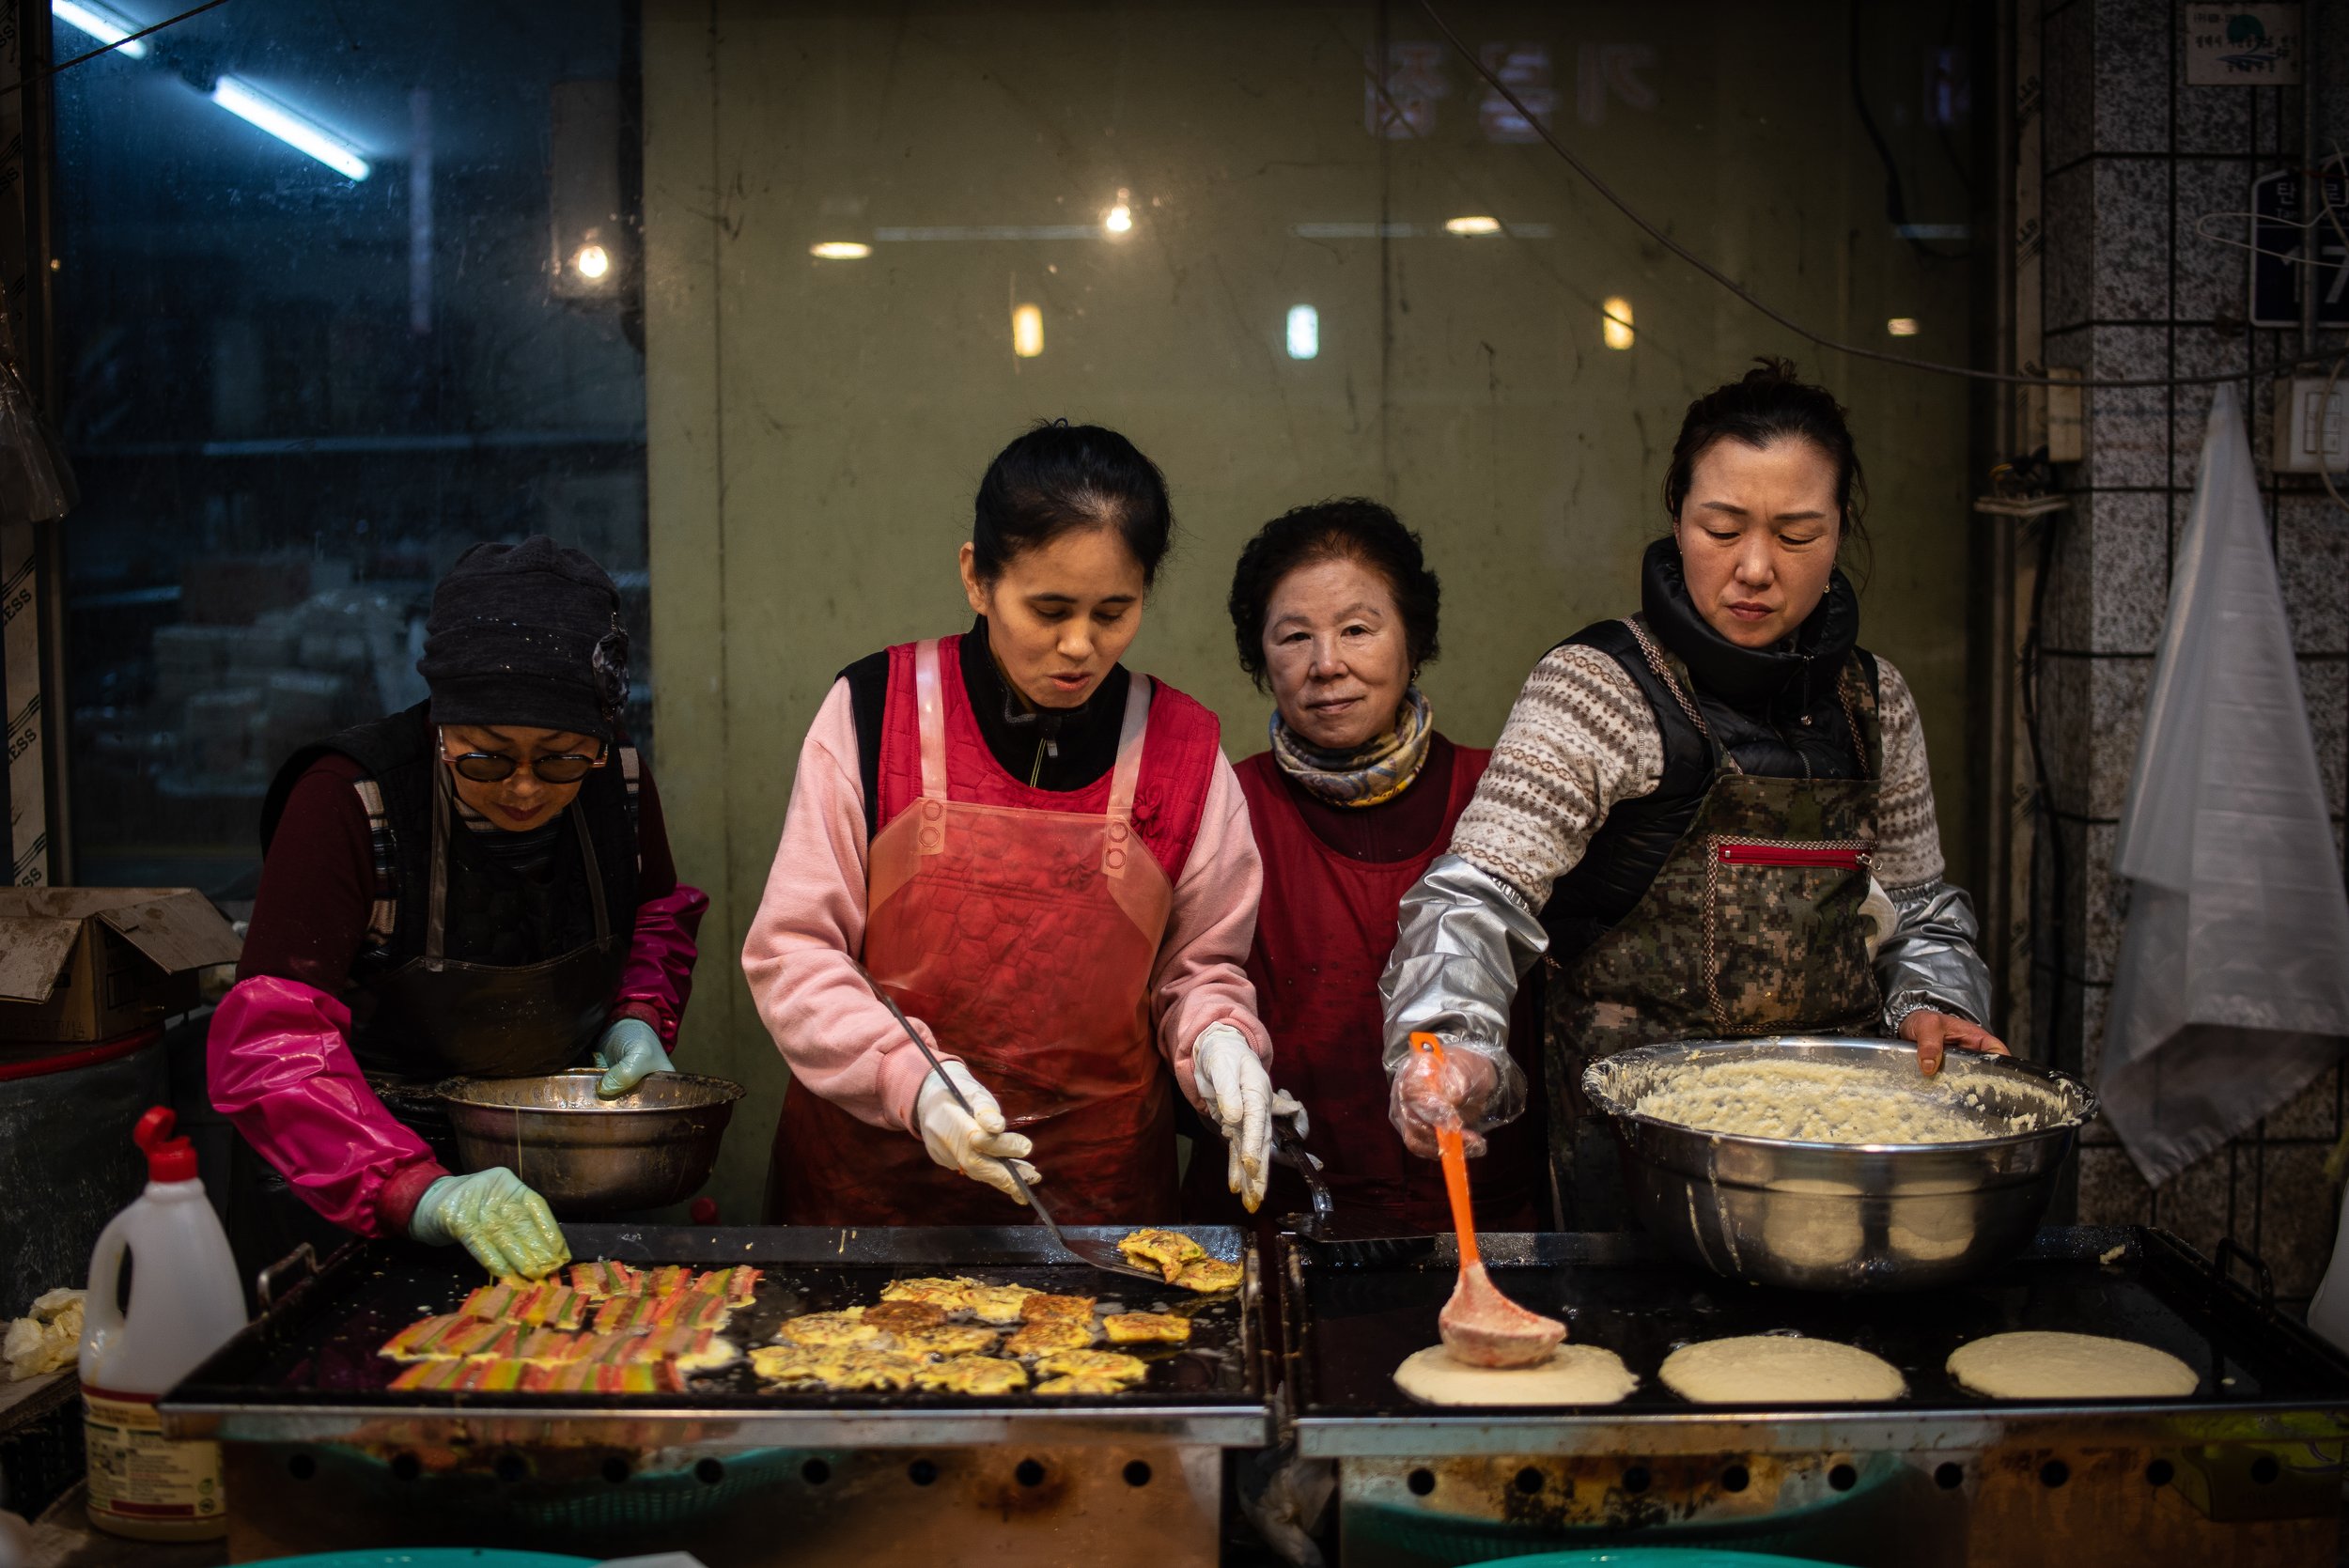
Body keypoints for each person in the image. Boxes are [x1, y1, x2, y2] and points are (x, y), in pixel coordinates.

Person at [1380, 361, 2003, 1222]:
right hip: (1638, 1172)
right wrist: (1450, 1043)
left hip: (1837, 1158)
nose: (1754, 567)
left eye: (1795, 534)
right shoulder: (1597, 689)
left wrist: (1935, 1003)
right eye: (1721, 528)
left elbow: (1919, 911)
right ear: (1678, 517)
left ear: (1841, 529)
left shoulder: (1877, 702)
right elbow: (1478, 892)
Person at [745, 422, 1277, 1225]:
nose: (1078, 645)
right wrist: (911, 1079)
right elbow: (794, 951)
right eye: (1049, 608)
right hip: (871, 1203)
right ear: (977, 577)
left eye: (1114, 612)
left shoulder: (1184, 751)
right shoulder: (871, 710)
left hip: (1095, 1211)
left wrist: (1221, 1040)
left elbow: (1199, 968)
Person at [210, 537, 708, 1280]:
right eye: (486, 755)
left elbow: (656, 915)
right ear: (441, 720)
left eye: (562, 757)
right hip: (357, 1186)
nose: (525, 789)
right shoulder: (349, 800)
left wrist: (637, 1011)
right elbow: (270, 1042)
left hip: (554, 1170)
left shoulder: (618, 778)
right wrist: (418, 1190)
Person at [1180, 501, 1546, 1230]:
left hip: (1485, 1225)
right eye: (1294, 637)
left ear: (1413, 640)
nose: (1327, 664)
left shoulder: (1508, 798)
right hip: (1278, 1224)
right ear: (1260, 658)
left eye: (1356, 629)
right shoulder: (1225, 802)